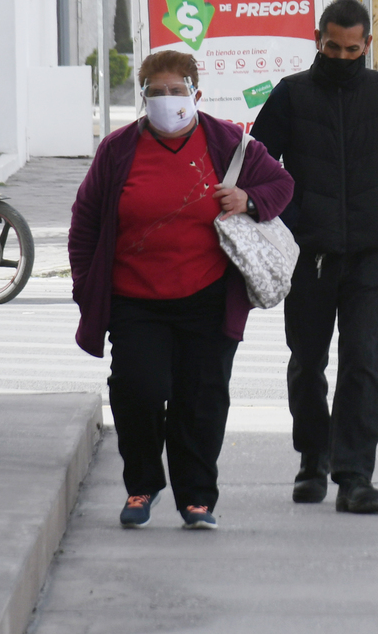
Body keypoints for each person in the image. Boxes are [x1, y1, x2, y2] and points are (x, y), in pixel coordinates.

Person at [68, 50, 294, 530]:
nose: (167, 100)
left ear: (196, 94)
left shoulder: (229, 143)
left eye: (177, 91)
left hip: (208, 299)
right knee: (138, 391)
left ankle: (197, 498)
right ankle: (142, 486)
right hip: (136, 300)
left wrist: (249, 200)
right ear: (143, 96)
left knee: (202, 399)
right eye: (157, 91)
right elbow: (85, 221)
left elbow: (281, 184)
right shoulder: (117, 149)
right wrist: (86, 284)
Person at [250, 0, 378, 514]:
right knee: (308, 362)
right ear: (317, 39)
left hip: (369, 253)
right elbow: (261, 163)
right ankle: (311, 459)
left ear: (367, 45)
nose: (343, 56)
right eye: (332, 47)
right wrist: (293, 218)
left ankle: (355, 475)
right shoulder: (291, 94)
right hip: (309, 256)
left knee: (364, 364)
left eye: (353, 49)